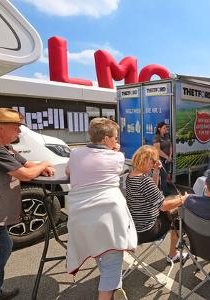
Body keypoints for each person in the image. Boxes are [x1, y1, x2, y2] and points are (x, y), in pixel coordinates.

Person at [66, 118, 137, 300]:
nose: (116, 141)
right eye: (115, 137)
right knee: (113, 263)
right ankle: (109, 291)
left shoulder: (75, 154)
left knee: (99, 250)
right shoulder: (117, 157)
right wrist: (115, 152)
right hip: (108, 218)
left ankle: (116, 288)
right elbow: (117, 170)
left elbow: (68, 172)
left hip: (79, 218)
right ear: (106, 139)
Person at [0, 108, 55, 300]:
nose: (19, 132)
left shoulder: (6, 148)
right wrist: (45, 163)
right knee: (3, 248)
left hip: (0, 217)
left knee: (5, 246)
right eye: (15, 127)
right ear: (0, 128)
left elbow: (26, 163)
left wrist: (41, 167)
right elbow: (25, 173)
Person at [126, 145, 188, 263]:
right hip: (148, 230)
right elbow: (163, 205)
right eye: (153, 161)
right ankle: (172, 254)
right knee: (179, 216)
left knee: (172, 208)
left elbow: (152, 191)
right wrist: (183, 199)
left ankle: (173, 253)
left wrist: (156, 171)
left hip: (134, 228)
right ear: (145, 160)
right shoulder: (144, 180)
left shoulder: (131, 176)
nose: (155, 163)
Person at [153, 122, 172, 196]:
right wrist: (166, 157)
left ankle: (162, 191)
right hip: (160, 159)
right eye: (164, 128)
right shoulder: (157, 137)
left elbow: (170, 146)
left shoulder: (167, 135)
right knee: (163, 175)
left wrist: (170, 156)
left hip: (167, 159)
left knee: (166, 175)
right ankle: (164, 192)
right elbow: (157, 150)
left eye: (166, 128)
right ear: (159, 129)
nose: (166, 129)